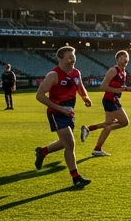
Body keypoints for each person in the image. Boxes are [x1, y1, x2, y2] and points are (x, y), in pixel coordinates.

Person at [34, 45, 93, 188]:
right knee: (70, 143)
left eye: (74, 56)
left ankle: (42, 151)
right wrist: (60, 108)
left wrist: (85, 97)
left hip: (69, 113)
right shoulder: (53, 75)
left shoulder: (76, 73)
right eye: (69, 57)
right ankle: (76, 177)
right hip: (56, 113)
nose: (72, 59)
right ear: (60, 58)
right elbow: (39, 96)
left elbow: (80, 87)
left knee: (65, 142)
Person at [80, 50, 131, 156]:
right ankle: (96, 144)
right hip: (110, 100)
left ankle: (92, 138)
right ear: (117, 60)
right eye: (122, 58)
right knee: (124, 122)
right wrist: (117, 91)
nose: (124, 60)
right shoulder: (114, 70)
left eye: (126, 58)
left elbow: (120, 87)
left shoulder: (123, 72)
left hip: (112, 100)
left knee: (108, 123)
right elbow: (103, 86)